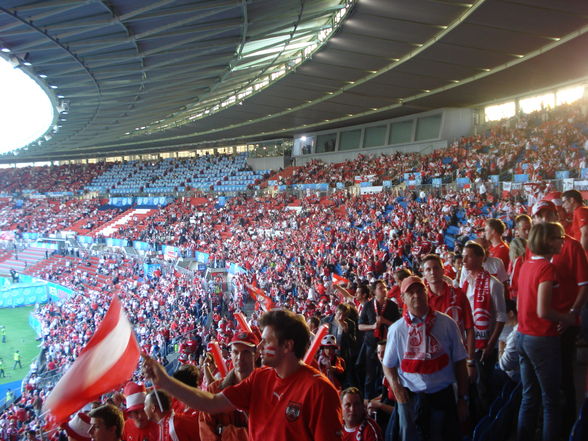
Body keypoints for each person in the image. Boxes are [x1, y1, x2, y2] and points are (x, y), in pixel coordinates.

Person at [143, 309, 343, 441]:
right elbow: (211, 402)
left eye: (266, 341)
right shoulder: (260, 378)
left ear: (287, 346)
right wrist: (166, 382)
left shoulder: (320, 391)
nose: (260, 347)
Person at [382, 276, 469, 441]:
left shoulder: (447, 323)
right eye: (411, 292)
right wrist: (396, 387)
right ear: (403, 298)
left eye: (419, 291)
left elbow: (460, 362)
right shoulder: (396, 330)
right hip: (411, 398)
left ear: (426, 292)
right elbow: (388, 365)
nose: (416, 296)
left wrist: (463, 398)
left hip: (443, 395)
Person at [530, 200, 588, 435]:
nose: (544, 219)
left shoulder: (572, 246)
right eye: (539, 215)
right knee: (542, 382)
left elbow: (584, 285)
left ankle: (568, 428)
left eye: (548, 214)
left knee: (564, 378)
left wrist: (570, 315)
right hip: (540, 325)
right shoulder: (531, 247)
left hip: (563, 324)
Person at [516, 222, 576, 441]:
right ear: (548, 241)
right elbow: (543, 310)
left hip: (523, 336)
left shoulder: (527, 265)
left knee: (529, 397)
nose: (563, 241)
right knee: (551, 401)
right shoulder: (547, 269)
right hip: (540, 338)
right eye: (559, 237)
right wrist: (567, 317)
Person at [460, 241, 505, 411]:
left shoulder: (494, 284)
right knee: (470, 385)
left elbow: (501, 317)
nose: (463, 260)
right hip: (467, 342)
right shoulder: (465, 283)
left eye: (468, 256)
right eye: (463, 256)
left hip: (484, 345)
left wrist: (491, 345)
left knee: (483, 386)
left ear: (481, 258)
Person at [421, 254, 475, 380]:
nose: (432, 272)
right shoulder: (420, 300)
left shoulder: (459, 295)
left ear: (442, 270)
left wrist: (471, 361)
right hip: (432, 360)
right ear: (423, 273)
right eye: (428, 269)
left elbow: (470, 329)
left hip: (458, 357)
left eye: (436, 268)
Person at [199, 331, 258, 441]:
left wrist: (225, 431)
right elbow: (206, 430)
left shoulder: (265, 388)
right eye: (235, 352)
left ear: (256, 355)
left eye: (246, 352)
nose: (240, 358)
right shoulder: (214, 389)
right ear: (230, 354)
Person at [358, 281, 400, 399]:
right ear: (374, 291)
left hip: (388, 345)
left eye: (385, 287)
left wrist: (385, 321)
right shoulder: (367, 305)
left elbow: (398, 325)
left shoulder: (392, 305)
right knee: (370, 374)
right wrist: (372, 326)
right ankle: (368, 399)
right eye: (380, 288)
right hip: (371, 344)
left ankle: (385, 398)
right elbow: (360, 326)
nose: (384, 290)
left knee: (387, 373)